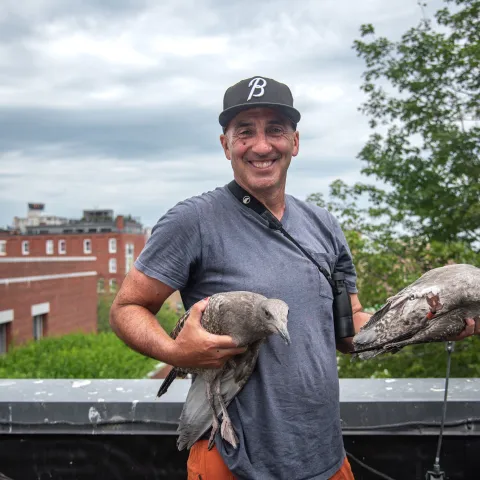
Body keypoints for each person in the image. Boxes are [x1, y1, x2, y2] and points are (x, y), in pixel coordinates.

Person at [109, 76, 478, 480]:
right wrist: (176, 353)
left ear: (295, 142)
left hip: (324, 457)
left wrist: (428, 325)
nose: (262, 145)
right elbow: (127, 308)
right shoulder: (192, 221)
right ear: (226, 145)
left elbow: (351, 330)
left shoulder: (323, 225)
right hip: (231, 461)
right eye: (245, 132)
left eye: (275, 130)